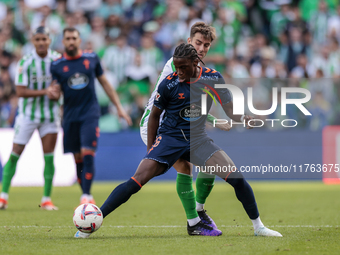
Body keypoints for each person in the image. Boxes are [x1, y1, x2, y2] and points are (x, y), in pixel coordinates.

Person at [74, 43, 283, 238]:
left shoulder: (213, 79)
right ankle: (90, 224)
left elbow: (229, 110)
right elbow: (154, 116)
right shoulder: (169, 83)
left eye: (183, 68)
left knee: (236, 178)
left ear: (195, 63)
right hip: (169, 139)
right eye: (176, 67)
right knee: (136, 182)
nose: (179, 72)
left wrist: (243, 118)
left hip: (198, 140)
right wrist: (151, 149)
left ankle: (258, 227)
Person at [140, 22, 230, 232]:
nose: (201, 49)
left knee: (208, 165)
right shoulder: (178, 66)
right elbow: (181, 108)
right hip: (157, 123)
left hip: (180, 124)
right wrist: (215, 121)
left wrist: (215, 120)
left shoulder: (198, 70)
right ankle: (194, 222)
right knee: (185, 166)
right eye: (198, 43)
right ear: (189, 42)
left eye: (206, 45)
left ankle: (198, 211)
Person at [50, 27, 131, 205]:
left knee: (88, 153)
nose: (71, 41)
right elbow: (54, 91)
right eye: (68, 38)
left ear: (79, 40)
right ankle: (86, 193)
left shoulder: (91, 59)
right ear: (63, 42)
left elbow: (105, 84)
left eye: (74, 38)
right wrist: (53, 94)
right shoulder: (56, 65)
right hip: (70, 116)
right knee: (77, 158)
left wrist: (119, 107)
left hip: (90, 113)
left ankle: (86, 196)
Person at [0, 27, 61, 210]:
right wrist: (45, 91)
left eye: (44, 39)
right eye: (37, 39)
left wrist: (57, 94)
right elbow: (20, 91)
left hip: (50, 115)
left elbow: (61, 86)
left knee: (49, 156)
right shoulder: (26, 62)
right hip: (27, 115)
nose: (41, 42)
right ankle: (3, 196)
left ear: (49, 40)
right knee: (15, 152)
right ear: (32, 41)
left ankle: (46, 199)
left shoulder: (57, 60)